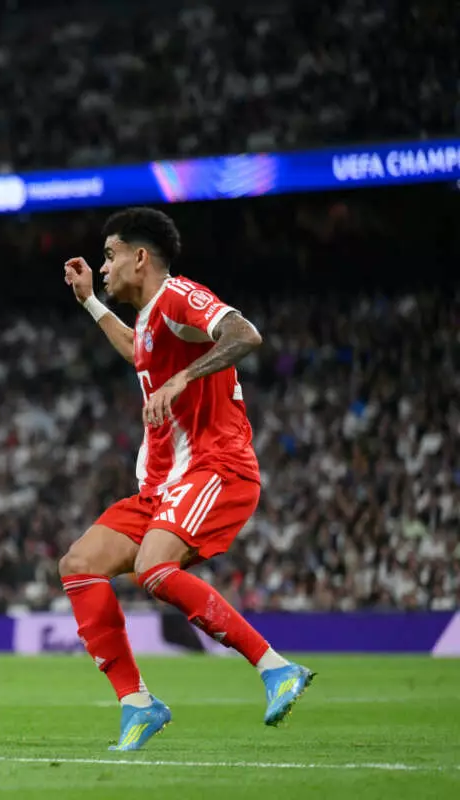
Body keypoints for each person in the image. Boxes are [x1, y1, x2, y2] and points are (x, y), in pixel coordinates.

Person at [59, 207, 313, 752]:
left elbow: (245, 334)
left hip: (216, 466)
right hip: (163, 484)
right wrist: (89, 302)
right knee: (79, 565)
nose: (103, 267)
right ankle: (137, 704)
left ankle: (276, 668)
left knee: (153, 567)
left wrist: (184, 377)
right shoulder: (150, 319)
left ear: (140, 257)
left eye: (109, 256)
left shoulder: (178, 297)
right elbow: (135, 350)